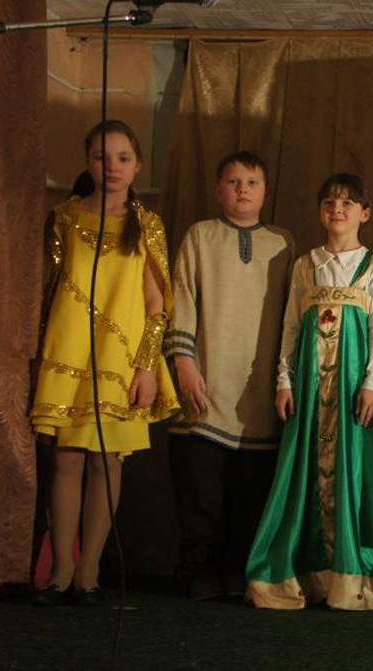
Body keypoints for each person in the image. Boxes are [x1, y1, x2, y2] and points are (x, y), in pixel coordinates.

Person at [31, 120, 180, 606]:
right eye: (101, 156)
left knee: (106, 459)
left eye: (122, 158)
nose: (112, 166)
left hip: (121, 359)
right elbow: (47, 291)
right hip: (68, 352)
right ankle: (61, 571)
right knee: (66, 459)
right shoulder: (64, 217)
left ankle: (90, 573)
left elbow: (157, 307)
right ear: (87, 162)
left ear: (137, 166)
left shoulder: (147, 224)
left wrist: (145, 366)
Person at [245, 173, 373, 610]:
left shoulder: (372, 266)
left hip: (352, 389)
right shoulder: (305, 265)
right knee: (303, 470)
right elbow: (291, 326)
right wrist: (284, 379)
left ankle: (351, 571)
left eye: (348, 203)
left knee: (356, 467)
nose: (337, 209)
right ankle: (304, 570)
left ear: (364, 214)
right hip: (311, 388)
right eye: (329, 202)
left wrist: (372, 383)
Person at [165, 150, 294, 600]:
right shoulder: (200, 236)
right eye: (234, 182)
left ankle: (240, 572)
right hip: (206, 382)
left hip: (258, 394)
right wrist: (184, 361)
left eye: (252, 182)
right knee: (200, 494)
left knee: (248, 494)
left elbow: (291, 317)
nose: (243, 190)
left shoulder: (283, 243)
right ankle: (197, 572)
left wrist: (286, 379)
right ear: (218, 189)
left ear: (266, 191)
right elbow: (181, 298)